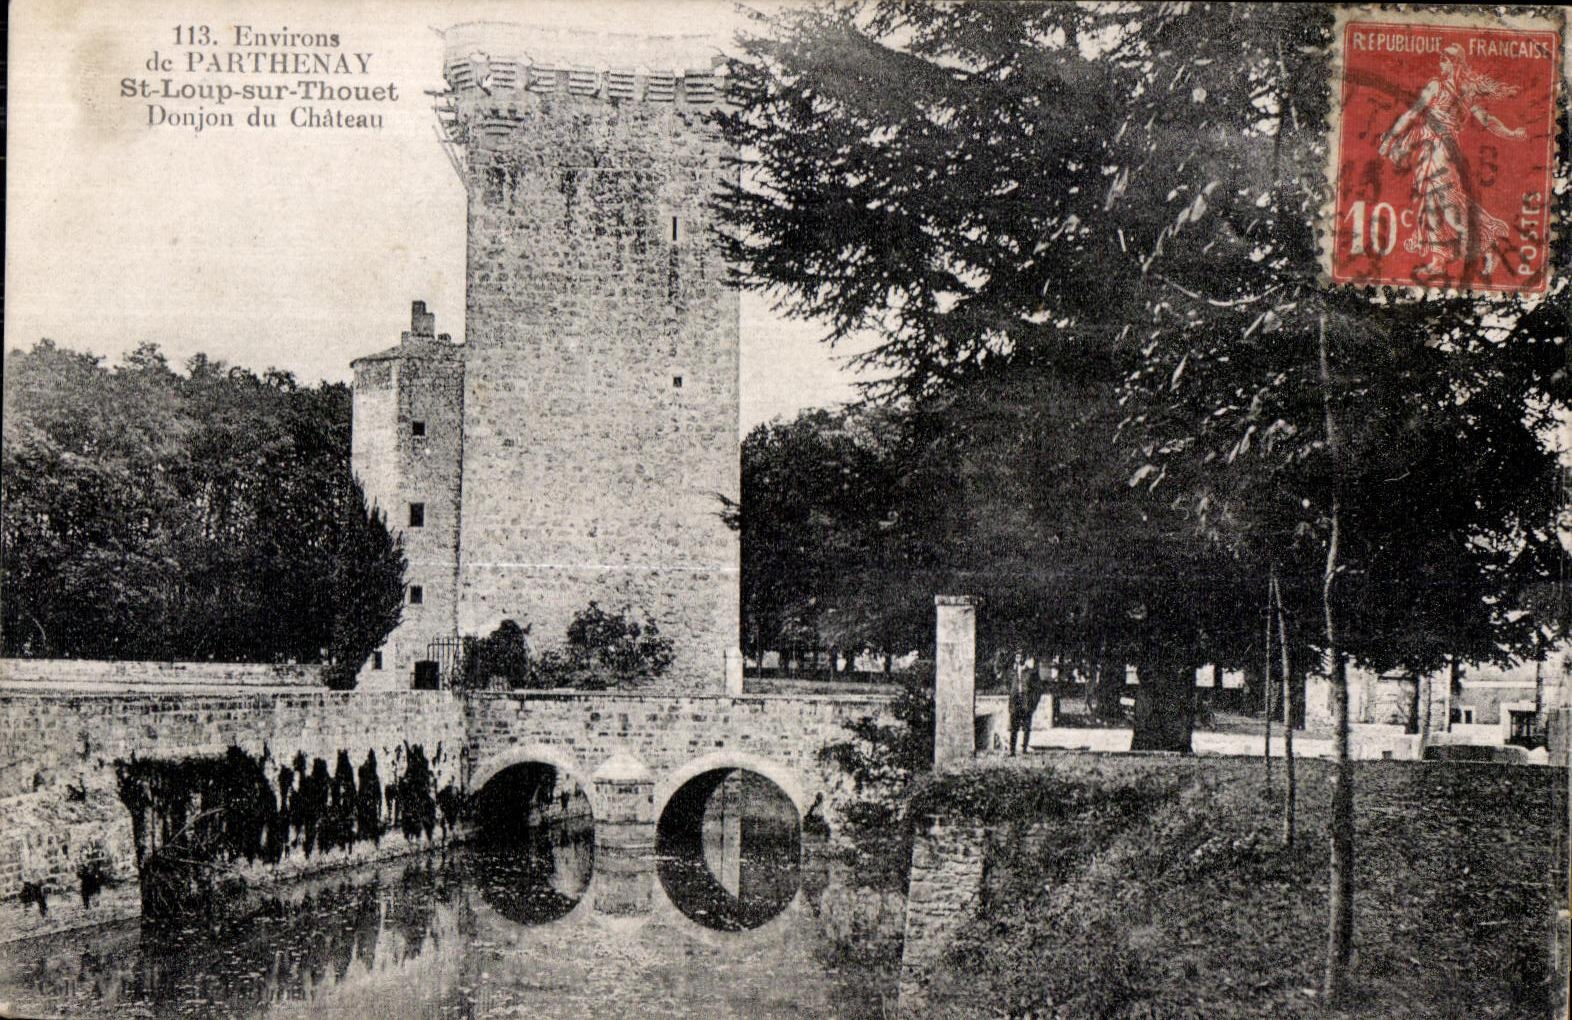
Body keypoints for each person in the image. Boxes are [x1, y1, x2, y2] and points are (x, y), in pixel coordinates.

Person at [1377, 44, 1526, 281]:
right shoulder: (1435, 85)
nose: (1440, 64)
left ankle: (1489, 246)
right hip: (1427, 147)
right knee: (1429, 206)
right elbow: (1412, 114)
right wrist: (1391, 139)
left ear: (1455, 63)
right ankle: (1439, 259)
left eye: (1444, 60)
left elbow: (1486, 119)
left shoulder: (1466, 92)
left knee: (1451, 211)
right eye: (1440, 60)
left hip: (1444, 149)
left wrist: (1510, 133)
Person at [1007, 649, 1043, 756]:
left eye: (1021, 656)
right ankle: (1012, 750)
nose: (1019, 658)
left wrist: (1033, 704)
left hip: (1026, 702)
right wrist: (1012, 696)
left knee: (1026, 726)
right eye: (1017, 656)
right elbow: (1008, 685)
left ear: (1024, 658)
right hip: (1015, 701)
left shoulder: (1031, 672)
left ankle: (1024, 749)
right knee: (1014, 727)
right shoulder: (1012, 672)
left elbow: (1038, 689)